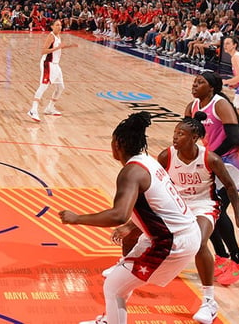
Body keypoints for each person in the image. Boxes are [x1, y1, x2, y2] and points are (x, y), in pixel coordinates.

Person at [59, 112, 201, 324]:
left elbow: (118, 214)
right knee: (119, 283)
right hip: (180, 232)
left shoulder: (131, 172)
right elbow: (157, 206)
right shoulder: (147, 161)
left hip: (171, 241)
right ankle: (110, 320)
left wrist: (77, 218)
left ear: (117, 144)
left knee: (113, 287)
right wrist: (132, 226)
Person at [109, 113, 239, 324]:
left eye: (181, 133)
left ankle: (209, 302)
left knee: (199, 242)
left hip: (204, 206)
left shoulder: (210, 159)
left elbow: (230, 186)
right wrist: (133, 223)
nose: (175, 137)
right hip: (178, 204)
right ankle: (124, 266)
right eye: (175, 132)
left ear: (194, 138)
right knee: (143, 230)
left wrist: (238, 217)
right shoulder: (167, 156)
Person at [186, 72, 239, 286]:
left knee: (215, 210)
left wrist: (210, 156)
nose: (195, 84)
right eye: (195, 81)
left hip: (231, 162)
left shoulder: (220, 104)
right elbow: (188, 132)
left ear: (212, 87)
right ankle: (222, 258)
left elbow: (233, 139)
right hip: (211, 162)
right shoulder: (192, 106)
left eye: (201, 82)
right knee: (207, 211)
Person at [27, 19, 78, 121]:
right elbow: (43, 51)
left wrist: (68, 46)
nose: (60, 27)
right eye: (57, 25)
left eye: (60, 25)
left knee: (60, 87)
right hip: (48, 64)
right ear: (52, 27)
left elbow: (59, 47)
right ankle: (33, 110)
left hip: (56, 65)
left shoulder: (58, 36)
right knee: (43, 86)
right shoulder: (51, 36)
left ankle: (50, 108)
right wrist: (57, 48)